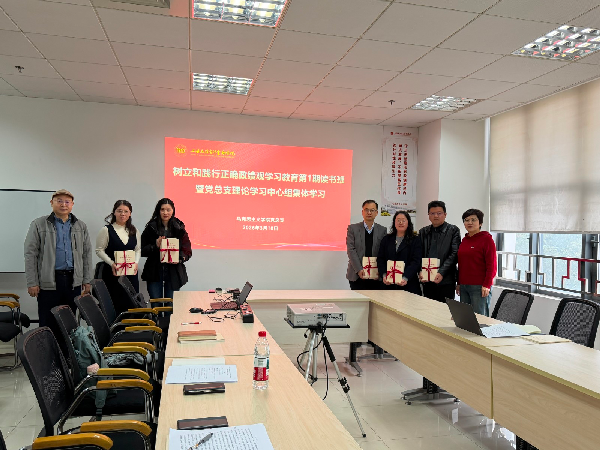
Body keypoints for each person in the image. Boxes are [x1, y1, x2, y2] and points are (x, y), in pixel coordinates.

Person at [24, 189, 93, 327]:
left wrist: (87, 280)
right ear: (51, 203)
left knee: (70, 321)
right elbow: (30, 254)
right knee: (48, 320)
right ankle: (48, 342)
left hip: (73, 281)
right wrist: (32, 282)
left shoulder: (80, 226)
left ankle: (67, 343)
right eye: (59, 201)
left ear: (72, 204)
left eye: (67, 202)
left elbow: (86, 254)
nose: (63, 204)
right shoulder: (39, 224)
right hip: (49, 280)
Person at [141, 198, 192, 299]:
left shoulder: (179, 227)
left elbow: (187, 250)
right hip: (154, 271)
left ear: (173, 211)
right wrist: (155, 246)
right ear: (158, 210)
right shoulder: (151, 227)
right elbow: (141, 250)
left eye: (168, 210)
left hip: (173, 272)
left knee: (171, 303)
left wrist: (180, 258)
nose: (165, 213)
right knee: (156, 303)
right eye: (162, 209)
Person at [96, 200, 141, 314]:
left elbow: (138, 249)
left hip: (130, 274)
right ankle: (116, 326)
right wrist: (111, 263)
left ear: (130, 213)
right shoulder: (106, 230)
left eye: (126, 211)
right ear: (114, 212)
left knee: (132, 304)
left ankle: (131, 325)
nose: (122, 214)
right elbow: (99, 250)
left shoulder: (134, 230)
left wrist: (136, 262)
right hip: (112, 274)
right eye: (119, 211)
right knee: (114, 305)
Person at [418, 200, 461, 302]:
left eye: (439, 213)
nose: (436, 216)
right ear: (428, 215)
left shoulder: (453, 230)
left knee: (445, 309)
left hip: (446, 280)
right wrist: (420, 270)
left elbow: (454, 254)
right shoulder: (423, 232)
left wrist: (441, 272)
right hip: (427, 279)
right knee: (428, 308)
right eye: (432, 213)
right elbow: (418, 254)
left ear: (445, 214)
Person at [457, 208, 497, 316]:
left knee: (479, 318)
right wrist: (459, 283)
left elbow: (492, 265)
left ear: (480, 223)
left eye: (473, 220)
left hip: (479, 287)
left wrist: (487, 285)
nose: (469, 222)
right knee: (465, 317)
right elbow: (462, 264)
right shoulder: (464, 240)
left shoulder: (487, 240)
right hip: (464, 286)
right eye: (466, 220)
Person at [346, 200, 387, 290]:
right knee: (358, 299)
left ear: (376, 213)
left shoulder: (382, 230)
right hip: (356, 274)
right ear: (362, 212)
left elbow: (383, 252)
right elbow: (351, 250)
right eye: (366, 210)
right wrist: (359, 269)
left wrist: (380, 270)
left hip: (376, 275)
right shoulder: (353, 228)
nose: (369, 212)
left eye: (372, 210)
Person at [378, 211, 422, 294]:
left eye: (403, 220)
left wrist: (405, 277)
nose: (401, 222)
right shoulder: (386, 239)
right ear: (394, 222)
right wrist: (384, 275)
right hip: (388, 284)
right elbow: (380, 259)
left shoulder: (415, 240)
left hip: (409, 284)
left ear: (408, 223)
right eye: (398, 220)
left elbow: (416, 261)